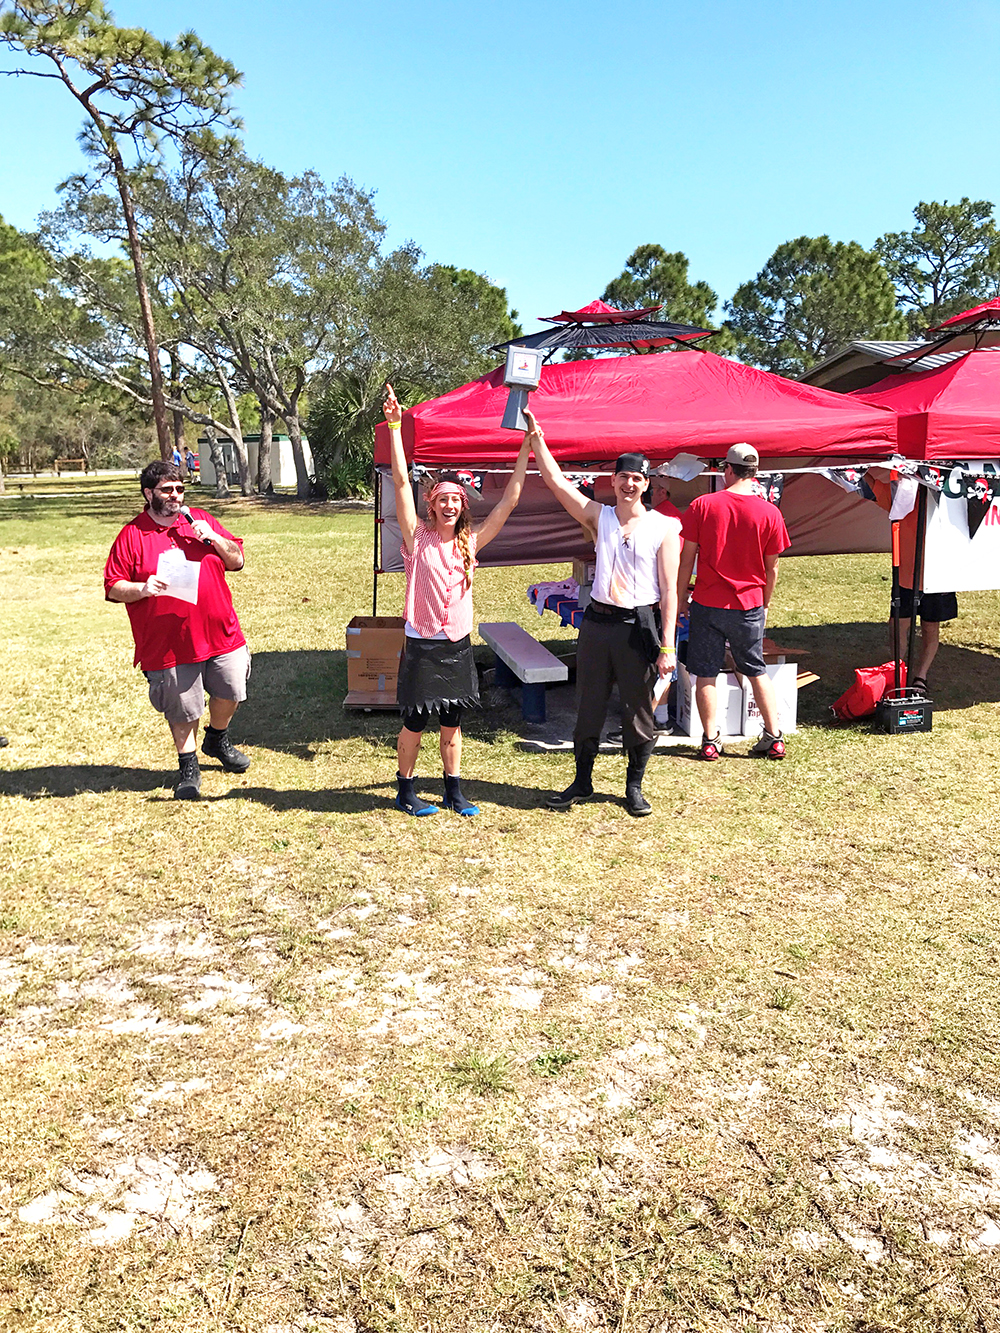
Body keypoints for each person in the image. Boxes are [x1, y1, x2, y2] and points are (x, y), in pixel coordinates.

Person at [383, 383, 531, 817]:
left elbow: (510, 500)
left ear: (462, 507)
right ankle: (405, 790)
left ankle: (453, 790)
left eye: (455, 500)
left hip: (457, 645)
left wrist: (528, 445)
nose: (449, 505)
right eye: (442, 500)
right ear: (432, 506)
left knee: (453, 722)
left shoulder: (471, 541)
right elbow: (398, 481)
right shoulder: (417, 538)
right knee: (415, 721)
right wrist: (395, 426)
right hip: (423, 644)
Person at [529, 413, 679, 817]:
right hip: (597, 624)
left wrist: (668, 646)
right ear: (612, 481)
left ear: (647, 483)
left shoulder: (665, 527)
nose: (629, 484)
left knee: (638, 709)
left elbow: (669, 592)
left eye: (637, 479)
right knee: (589, 704)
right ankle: (582, 781)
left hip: (638, 627)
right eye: (623, 477)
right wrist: (537, 440)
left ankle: (634, 787)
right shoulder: (601, 517)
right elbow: (558, 484)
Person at [104, 460, 251, 800]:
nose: (175, 496)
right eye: (167, 490)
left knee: (231, 690)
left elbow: (237, 560)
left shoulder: (200, 520)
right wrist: (142, 588)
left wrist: (213, 537)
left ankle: (217, 737)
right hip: (169, 643)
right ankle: (188, 764)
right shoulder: (132, 535)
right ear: (148, 493)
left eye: (180, 489)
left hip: (220, 632)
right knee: (183, 707)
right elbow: (113, 587)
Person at [676, 443, 790, 761]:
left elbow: (687, 558)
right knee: (756, 670)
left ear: (727, 469)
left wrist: (681, 595)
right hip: (749, 603)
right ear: (755, 473)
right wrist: (764, 602)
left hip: (708, 602)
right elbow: (773, 567)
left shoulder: (702, 505)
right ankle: (775, 736)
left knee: (706, 673)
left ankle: (711, 739)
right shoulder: (770, 512)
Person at [867, 470, 956, 694]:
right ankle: (898, 671)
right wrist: (854, 462)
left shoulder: (951, 495)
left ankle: (920, 677)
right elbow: (872, 487)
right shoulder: (903, 492)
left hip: (939, 576)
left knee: (930, 628)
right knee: (898, 626)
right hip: (906, 576)